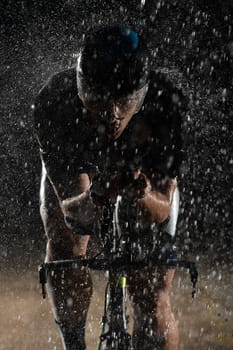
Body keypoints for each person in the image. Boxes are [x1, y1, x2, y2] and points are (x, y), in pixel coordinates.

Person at [34, 25, 187, 350]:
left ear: (142, 94)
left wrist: (141, 193)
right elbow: (74, 212)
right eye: (99, 98)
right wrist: (97, 195)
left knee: (151, 292)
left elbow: (161, 207)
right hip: (82, 175)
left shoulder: (166, 103)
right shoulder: (56, 101)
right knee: (66, 245)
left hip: (139, 176)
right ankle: (73, 344)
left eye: (125, 100)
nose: (112, 113)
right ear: (81, 88)